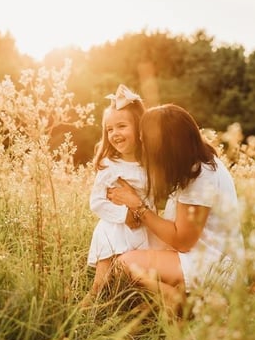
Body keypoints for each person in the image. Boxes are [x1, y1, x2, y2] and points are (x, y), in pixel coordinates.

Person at [107, 104, 246, 313]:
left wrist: (137, 206)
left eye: (146, 140)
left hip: (213, 266)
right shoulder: (192, 165)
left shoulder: (201, 176)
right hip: (201, 256)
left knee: (123, 264)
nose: (142, 144)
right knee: (133, 250)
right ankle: (180, 298)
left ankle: (181, 303)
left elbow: (183, 241)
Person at [86, 85, 162, 300]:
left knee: (135, 284)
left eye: (121, 126)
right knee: (102, 283)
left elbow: (155, 198)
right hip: (115, 227)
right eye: (109, 129)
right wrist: (125, 215)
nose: (115, 134)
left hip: (144, 229)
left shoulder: (151, 165)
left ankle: (133, 310)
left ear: (139, 129)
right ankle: (91, 305)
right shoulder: (109, 165)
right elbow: (97, 202)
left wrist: (139, 211)